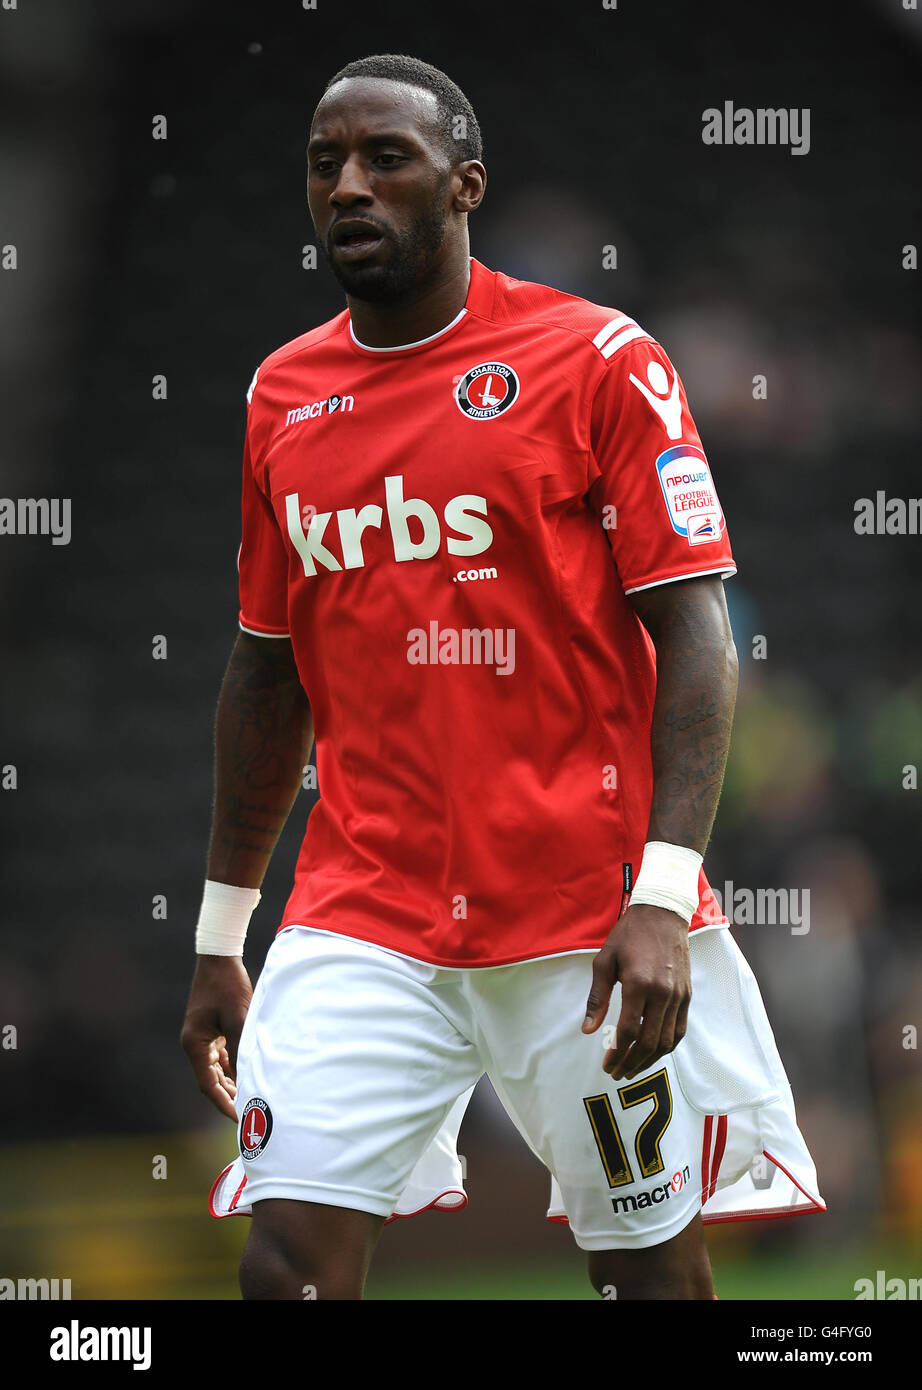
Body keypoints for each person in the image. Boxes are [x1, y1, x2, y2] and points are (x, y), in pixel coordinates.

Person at [181, 53, 824, 1301]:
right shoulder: (281, 395)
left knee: (645, 1279)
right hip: (362, 913)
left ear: (464, 185)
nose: (350, 186)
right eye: (326, 164)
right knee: (283, 1266)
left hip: (581, 920)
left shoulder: (597, 360)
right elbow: (266, 670)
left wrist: (662, 894)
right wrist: (220, 931)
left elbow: (697, 635)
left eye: (387, 159)